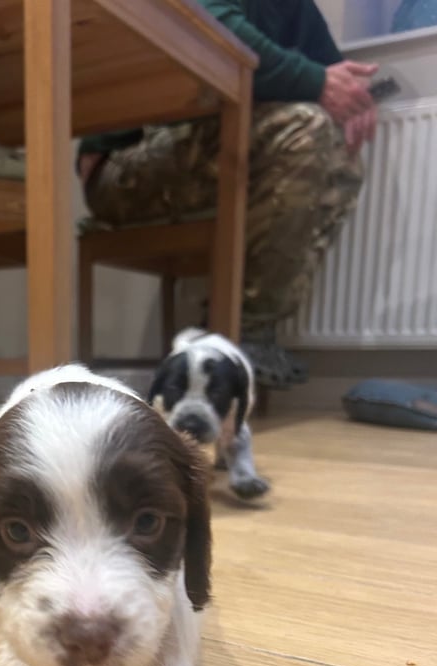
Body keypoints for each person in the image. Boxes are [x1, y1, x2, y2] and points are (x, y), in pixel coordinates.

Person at [77, 0, 379, 387]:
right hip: (119, 166)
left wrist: (351, 97)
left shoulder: (298, 9)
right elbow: (219, 35)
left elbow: (332, 73)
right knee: (306, 128)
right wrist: (318, 83)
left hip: (202, 145)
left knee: (344, 161)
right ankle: (237, 336)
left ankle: (240, 330)